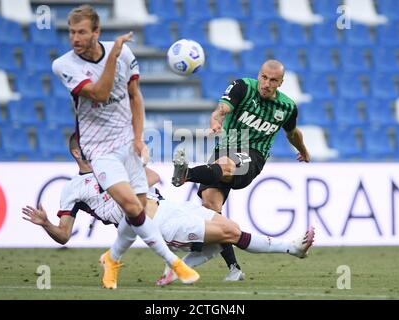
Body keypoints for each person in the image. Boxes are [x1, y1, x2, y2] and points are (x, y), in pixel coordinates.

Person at [22, 135, 315, 288]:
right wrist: (46, 223)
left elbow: (152, 178)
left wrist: (131, 166)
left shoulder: (114, 165)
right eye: (90, 144)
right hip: (157, 223)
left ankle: (173, 272)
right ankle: (292, 248)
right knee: (231, 232)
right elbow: (63, 235)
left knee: (226, 229)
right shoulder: (73, 188)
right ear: (78, 151)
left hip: (171, 205)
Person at [51, 5, 198, 288]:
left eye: (81, 32)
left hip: (126, 143)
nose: (74, 38)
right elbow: (99, 93)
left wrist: (139, 138)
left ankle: (112, 258)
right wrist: (113, 55)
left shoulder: (124, 54)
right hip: (98, 149)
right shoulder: (64, 65)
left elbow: (135, 96)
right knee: (132, 206)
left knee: (137, 209)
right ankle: (175, 263)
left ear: (96, 32)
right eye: (71, 32)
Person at [171, 59, 311, 281]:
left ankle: (185, 174)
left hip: (253, 154)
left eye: (273, 80)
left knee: (226, 164)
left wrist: (303, 150)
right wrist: (216, 121)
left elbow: (293, 133)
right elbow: (222, 109)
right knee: (210, 208)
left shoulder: (287, 107)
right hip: (227, 146)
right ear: (259, 75)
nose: (266, 83)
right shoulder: (242, 87)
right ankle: (234, 269)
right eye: (263, 77)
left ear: (281, 83)